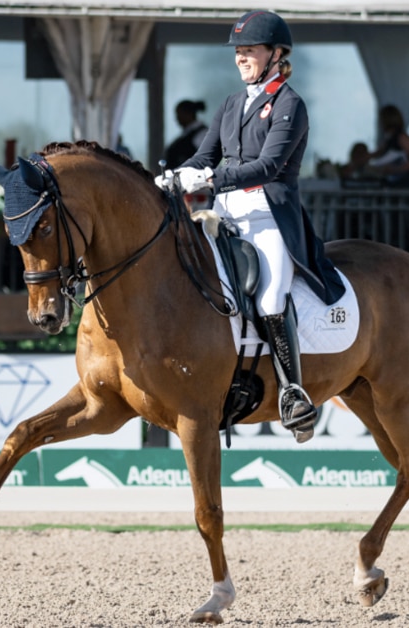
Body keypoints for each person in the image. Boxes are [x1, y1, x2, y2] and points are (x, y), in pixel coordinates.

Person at [159, 10, 345, 443]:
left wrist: (207, 179)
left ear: (276, 55)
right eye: (239, 52)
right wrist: (173, 176)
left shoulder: (289, 104)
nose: (241, 58)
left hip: (269, 219)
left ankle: (294, 395)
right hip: (225, 216)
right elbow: (204, 156)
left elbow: (269, 165)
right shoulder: (230, 103)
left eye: (250, 51)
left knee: (269, 296)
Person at [366, 104, 409, 187]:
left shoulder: (402, 138)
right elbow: (375, 154)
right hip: (393, 183)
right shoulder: (388, 139)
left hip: (404, 184)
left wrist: (395, 170)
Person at [163, 100, 209, 169]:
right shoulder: (187, 135)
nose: (177, 119)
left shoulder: (202, 134)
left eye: (179, 114)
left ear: (188, 114)